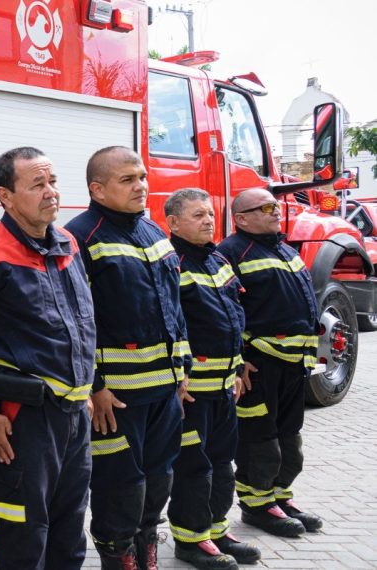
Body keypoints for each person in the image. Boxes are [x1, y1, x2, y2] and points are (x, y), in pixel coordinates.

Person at [0, 147, 95, 569]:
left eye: (52, 182)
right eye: (37, 185)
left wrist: (85, 390)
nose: (51, 192)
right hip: (22, 420)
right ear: (6, 196)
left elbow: (81, 323)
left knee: (69, 529)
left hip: (72, 416)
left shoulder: (67, 242)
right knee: (25, 533)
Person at [65, 146, 189, 569]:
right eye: (128, 180)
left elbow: (175, 307)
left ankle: (146, 546)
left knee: (159, 478)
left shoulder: (153, 232)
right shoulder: (78, 237)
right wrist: (94, 386)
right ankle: (118, 557)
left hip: (164, 391)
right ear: (97, 189)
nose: (141, 186)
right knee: (120, 485)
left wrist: (182, 370)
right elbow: (74, 322)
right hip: (116, 398)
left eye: (142, 176)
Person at [164, 188, 261, 569]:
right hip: (193, 392)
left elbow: (234, 319)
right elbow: (173, 324)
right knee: (194, 467)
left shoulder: (218, 260)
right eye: (197, 215)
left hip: (224, 387)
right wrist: (179, 378)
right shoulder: (171, 263)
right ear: (172, 222)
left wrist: (237, 368)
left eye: (209, 213)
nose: (208, 220)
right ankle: (191, 540)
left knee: (222, 462)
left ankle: (216, 530)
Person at [217, 188, 321, 538]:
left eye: (275, 206)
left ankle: (279, 496)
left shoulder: (283, 248)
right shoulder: (230, 253)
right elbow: (225, 313)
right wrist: (238, 360)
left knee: (289, 440)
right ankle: (258, 505)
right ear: (241, 218)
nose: (275, 211)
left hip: (293, 366)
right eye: (265, 207)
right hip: (259, 367)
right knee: (259, 440)